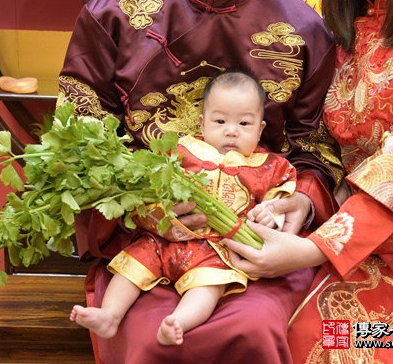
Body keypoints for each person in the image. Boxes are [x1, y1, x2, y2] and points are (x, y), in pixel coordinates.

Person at [58, 0, 343, 362]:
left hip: (254, 248)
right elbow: (78, 144)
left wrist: (301, 201)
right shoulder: (112, 13)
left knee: (253, 329)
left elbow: (317, 148)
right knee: (151, 339)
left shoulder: (305, 30)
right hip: (144, 237)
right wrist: (143, 205)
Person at [223, 0, 393, 362]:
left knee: (341, 345)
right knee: (266, 330)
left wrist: (316, 248)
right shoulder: (356, 16)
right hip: (365, 244)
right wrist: (303, 200)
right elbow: (346, 149)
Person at [70, 68, 301, 346]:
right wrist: (157, 210)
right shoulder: (181, 151)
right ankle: (109, 315)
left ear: (261, 128)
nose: (231, 131)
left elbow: (282, 200)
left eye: (244, 124)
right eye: (220, 121)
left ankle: (179, 322)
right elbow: (151, 184)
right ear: (202, 124)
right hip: (163, 238)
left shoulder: (270, 166)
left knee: (209, 286)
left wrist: (271, 214)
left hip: (217, 249)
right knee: (130, 264)